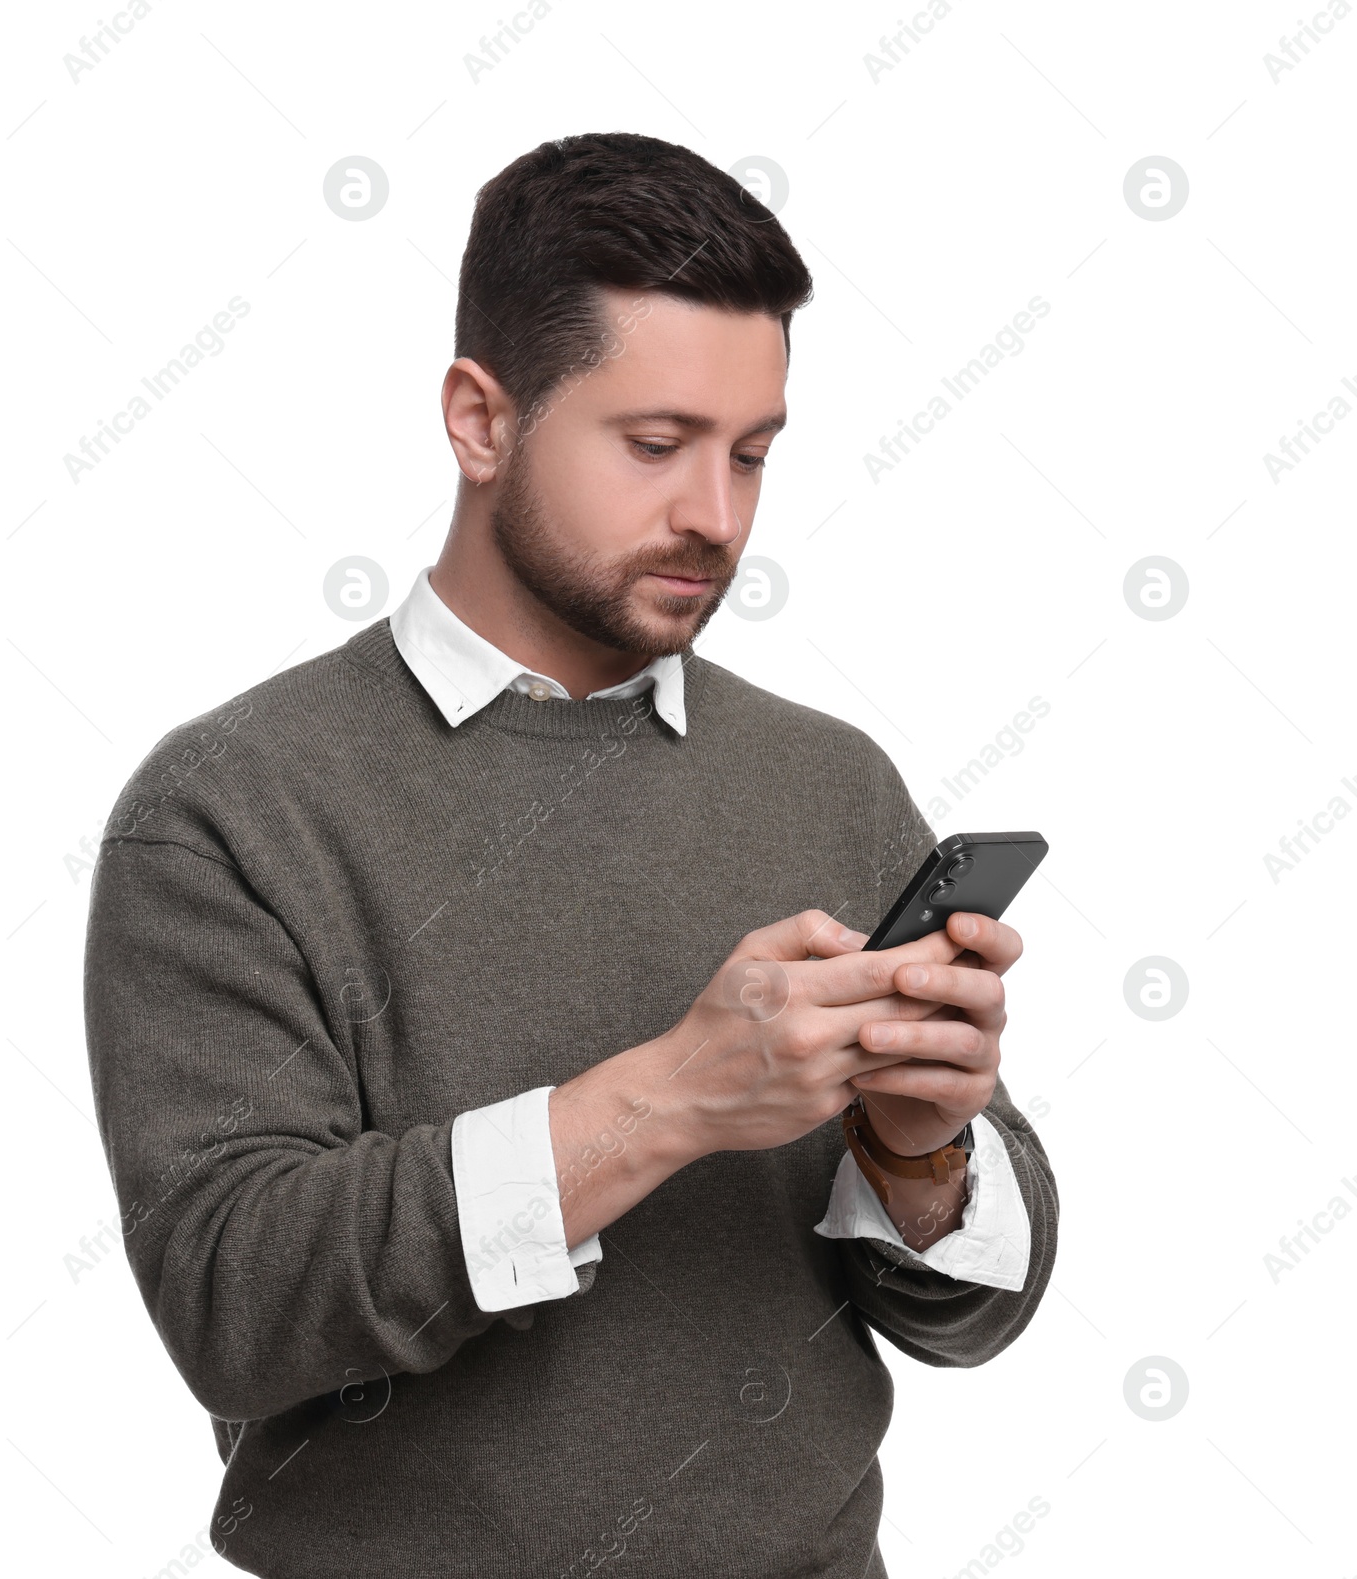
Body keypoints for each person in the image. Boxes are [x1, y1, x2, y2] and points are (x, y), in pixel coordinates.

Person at [83, 129, 1058, 1578]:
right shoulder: (232, 807)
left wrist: (919, 1155)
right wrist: (665, 1101)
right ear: (481, 420)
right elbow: (233, 1302)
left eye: (752, 454)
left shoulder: (829, 780)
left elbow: (966, 1316)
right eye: (655, 446)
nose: (715, 519)